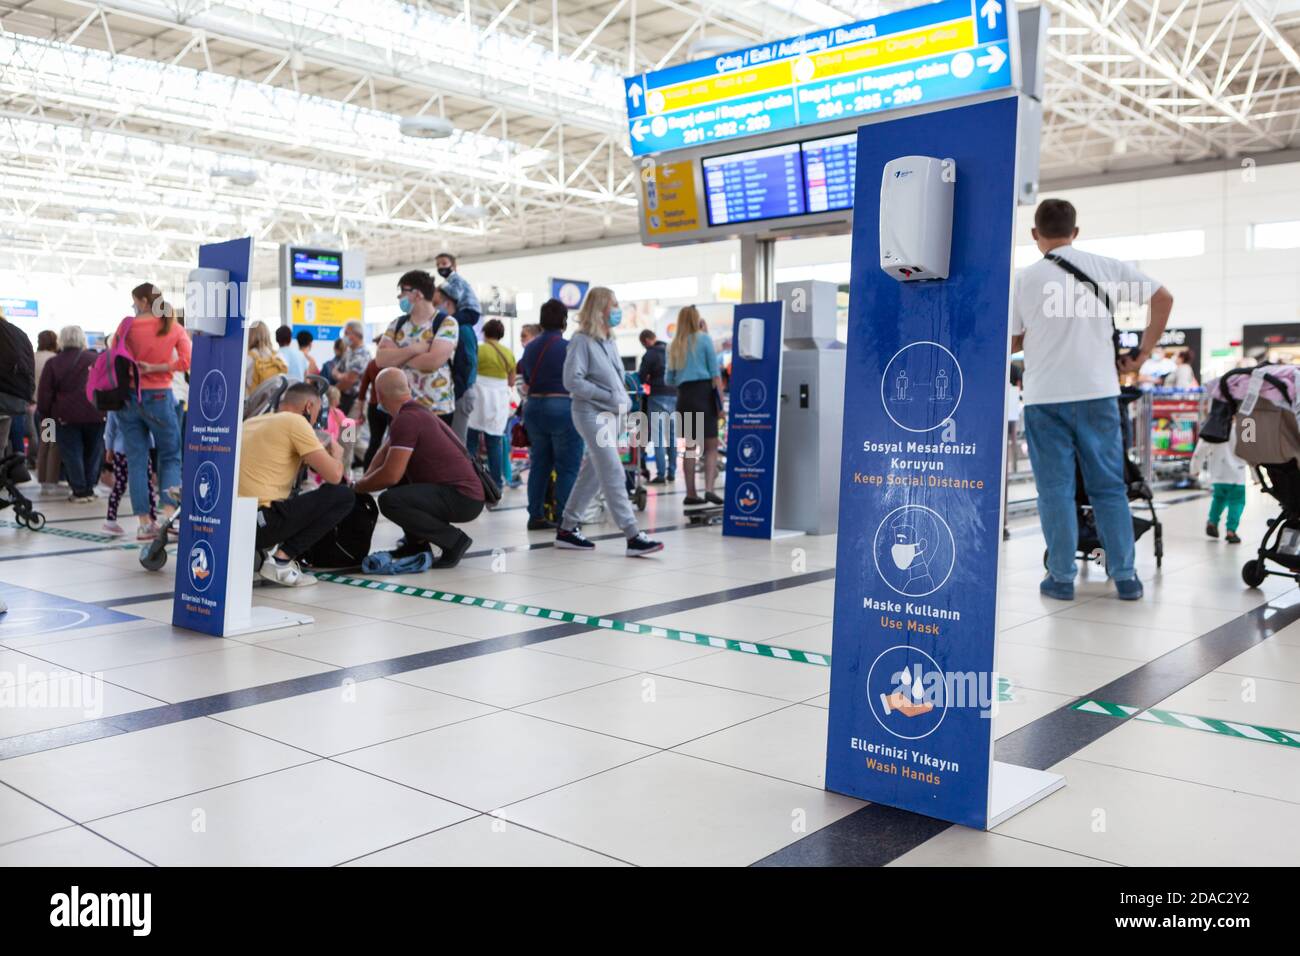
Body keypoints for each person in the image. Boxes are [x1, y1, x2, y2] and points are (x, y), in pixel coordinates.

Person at [1012, 198, 1173, 601]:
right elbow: (1163, 298)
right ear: (1075, 231)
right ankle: (1126, 578)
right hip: (1099, 394)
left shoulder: (1024, 280)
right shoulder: (1106, 267)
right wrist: (1141, 355)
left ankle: (1061, 578)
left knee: (1055, 491)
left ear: (1035, 234)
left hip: (1044, 398)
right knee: (1108, 489)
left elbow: (1012, 339)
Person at [555, 287, 663, 557]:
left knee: (593, 472)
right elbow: (572, 381)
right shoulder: (581, 341)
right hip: (590, 413)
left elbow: (615, 379)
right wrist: (606, 396)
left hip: (612, 415)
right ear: (600, 308)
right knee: (613, 469)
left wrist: (621, 402)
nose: (617, 310)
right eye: (613, 305)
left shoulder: (608, 340)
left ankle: (567, 528)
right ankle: (632, 534)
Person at [355, 368, 485, 570]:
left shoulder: (407, 420)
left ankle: (454, 540)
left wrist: (359, 487)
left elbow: (390, 475)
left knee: (390, 501)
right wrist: (364, 480)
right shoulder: (415, 411)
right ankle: (416, 545)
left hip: (462, 497)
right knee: (400, 484)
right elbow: (385, 451)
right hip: (464, 493)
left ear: (379, 395)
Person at [238, 381, 354, 586]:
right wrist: (338, 455)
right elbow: (335, 476)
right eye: (318, 412)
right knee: (343, 496)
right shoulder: (296, 422)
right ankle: (281, 561)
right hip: (262, 522)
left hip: (236, 520)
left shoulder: (253, 421)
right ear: (309, 407)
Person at [117, 283, 190, 537]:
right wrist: (157, 368)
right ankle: (171, 518)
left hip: (127, 398)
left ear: (144, 301)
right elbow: (187, 361)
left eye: (135, 301)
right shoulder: (173, 326)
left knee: (137, 461)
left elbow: (113, 358)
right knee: (170, 456)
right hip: (159, 396)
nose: (134, 306)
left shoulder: (126, 326)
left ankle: (144, 524)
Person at [518, 298, 582, 531]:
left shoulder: (530, 348)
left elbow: (525, 379)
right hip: (562, 406)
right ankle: (566, 520)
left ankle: (535, 516)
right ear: (564, 321)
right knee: (567, 466)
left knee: (539, 465)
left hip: (534, 408)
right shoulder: (568, 347)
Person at [377, 270, 460, 427]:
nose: (399, 296)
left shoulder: (446, 323)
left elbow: (432, 362)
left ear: (418, 294)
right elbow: (381, 360)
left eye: (403, 291)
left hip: (436, 409)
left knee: (432, 452)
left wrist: (397, 355)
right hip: (399, 408)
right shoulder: (397, 324)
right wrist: (415, 349)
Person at [36, 325, 104, 504]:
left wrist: (45, 414)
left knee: (72, 453)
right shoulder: (95, 359)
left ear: (62, 340)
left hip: (65, 415)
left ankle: (79, 491)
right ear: (82, 339)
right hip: (96, 413)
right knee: (92, 452)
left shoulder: (54, 362)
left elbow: (45, 393)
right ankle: (89, 488)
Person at [666, 305, 722, 508]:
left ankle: (691, 493)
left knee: (690, 448)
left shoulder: (673, 345)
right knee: (711, 446)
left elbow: (669, 379)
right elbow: (715, 373)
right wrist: (720, 402)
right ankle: (709, 489)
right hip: (704, 394)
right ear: (696, 319)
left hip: (684, 397)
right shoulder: (704, 339)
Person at [466, 319, 515, 490]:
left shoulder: (479, 349)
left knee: (470, 441)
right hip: (498, 399)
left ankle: (470, 481)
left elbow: (469, 370)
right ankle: (496, 484)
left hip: (478, 396)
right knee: (494, 443)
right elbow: (511, 381)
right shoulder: (508, 353)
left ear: (485, 333)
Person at [1191, 424, 1247, 545]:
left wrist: (1195, 467)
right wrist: (1256, 475)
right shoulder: (1246, 425)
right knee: (1237, 502)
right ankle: (1231, 531)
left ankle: (1212, 522)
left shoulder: (1214, 424)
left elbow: (1201, 448)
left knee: (1219, 499)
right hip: (1237, 474)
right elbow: (1251, 450)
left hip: (1217, 472)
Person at [102, 410, 155, 536]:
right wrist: (151, 444)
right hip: (140, 449)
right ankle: (151, 519)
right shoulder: (139, 401)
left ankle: (110, 520)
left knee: (119, 485)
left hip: (120, 451)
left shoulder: (113, 405)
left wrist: (109, 448)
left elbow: (110, 429)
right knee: (146, 483)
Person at [438, 285, 478, 443]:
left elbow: (469, 362)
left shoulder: (462, 328)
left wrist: (460, 389)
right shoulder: (449, 327)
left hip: (461, 393)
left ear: (447, 303)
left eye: (436, 302)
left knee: (457, 443)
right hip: (456, 392)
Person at [637, 328, 676, 484]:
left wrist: (647, 378)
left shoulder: (650, 354)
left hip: (657, 396)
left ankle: (661, 475)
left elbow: (641, 376)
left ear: (646, 340)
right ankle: (672, 472)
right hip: (674, 395)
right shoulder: (671, 351)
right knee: (672, 436)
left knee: (658, 437)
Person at [0, 306, 34, 476]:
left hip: (48, 413)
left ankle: (48, 477)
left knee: (50, 446)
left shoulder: (52, 363)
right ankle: (22, 467)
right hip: (26, 406)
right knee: (48, 442)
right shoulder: (17, 335)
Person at [32, 329, 61, 495]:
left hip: (36, 408)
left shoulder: (33, 357)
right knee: (52, 446)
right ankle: (48, 481)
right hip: (50, 410)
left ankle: (41, 478)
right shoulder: (54, 360)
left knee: (43, 444)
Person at [334, 320, 371, 416]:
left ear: (357, 335)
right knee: (340, 429)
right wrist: (342, 376)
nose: (344, 337)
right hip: (344, 397)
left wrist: (334, 389)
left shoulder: (362, 354)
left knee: (349, 430)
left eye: (347, 333)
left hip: (355, 401)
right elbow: (334, 371)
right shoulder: (349, 351)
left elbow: (350, 380)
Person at [434, 252, 481, 325]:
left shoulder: (456, 279)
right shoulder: (449, 281)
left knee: (446, 322)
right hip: (464, 311)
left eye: (444, 264)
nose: (440, 267)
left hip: (470, 311)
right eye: (438, 265)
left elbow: (456, 294)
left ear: (453, 266)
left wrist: (443, 285)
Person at [246, 320, 288, 394]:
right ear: (268, 335)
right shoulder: (278, 356)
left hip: (253, 401)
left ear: (250, 335)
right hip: (274, 400)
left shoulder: (248, 357)